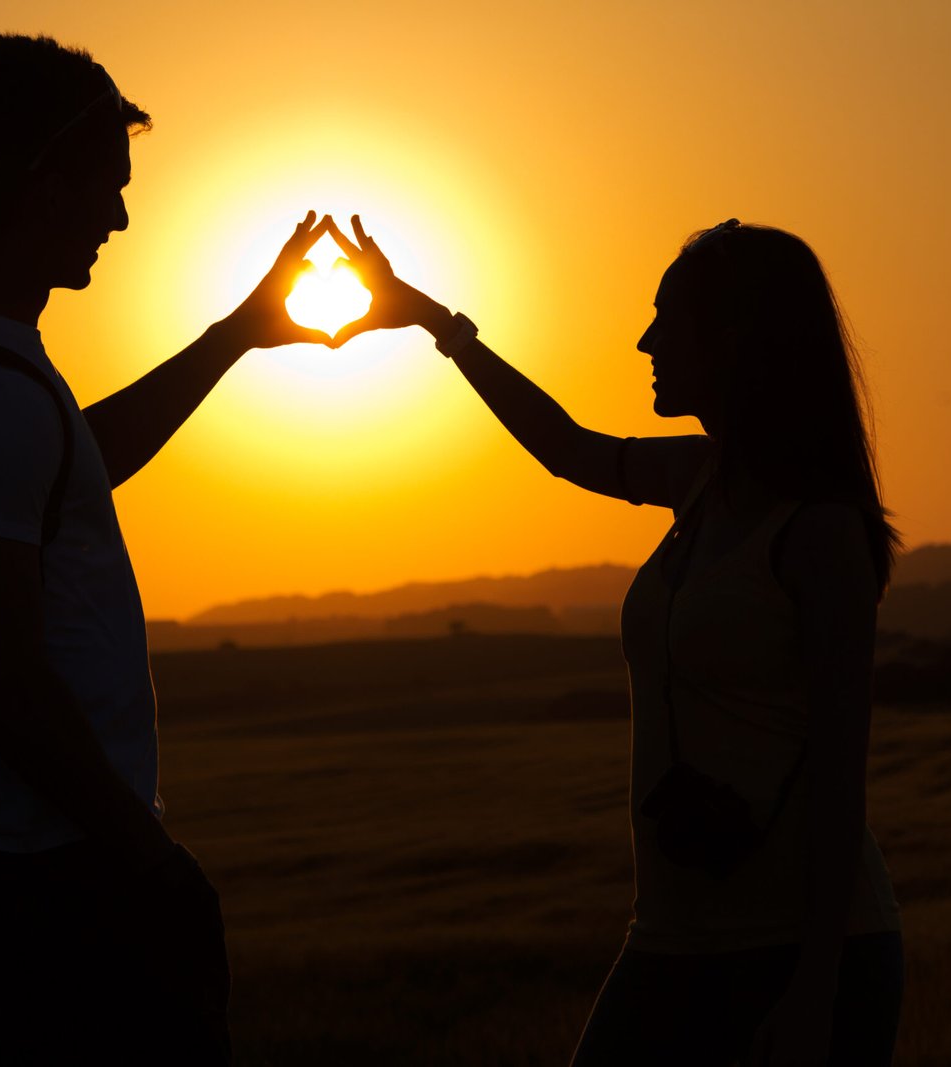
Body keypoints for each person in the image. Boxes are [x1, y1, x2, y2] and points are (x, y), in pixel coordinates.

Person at [326, 216, 904, 1065]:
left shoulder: (818, 534)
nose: (645, 340)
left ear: (738, 338)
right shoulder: (699, 479)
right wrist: (431, 321)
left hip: (803, 952)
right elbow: (564, 448)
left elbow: (840, 773)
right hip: (672, 938)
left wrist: (816, 985)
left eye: (669, 319)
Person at [0, 34, 332, 1065]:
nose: (119, 220)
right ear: (42, 182)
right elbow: (0, 671)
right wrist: (145, 853)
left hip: (14, 856)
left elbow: (78, 459)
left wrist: (238, 332)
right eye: (106, 189)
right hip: (50, 871)